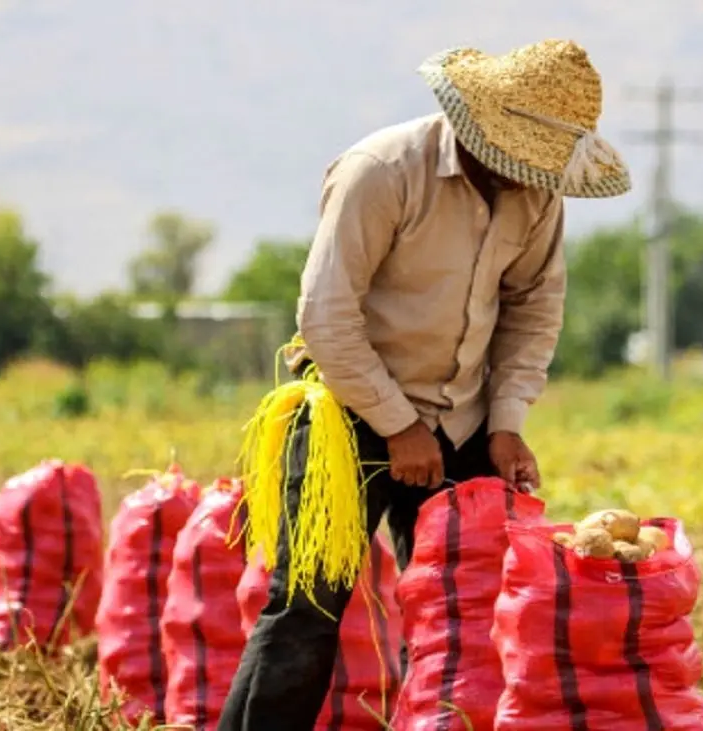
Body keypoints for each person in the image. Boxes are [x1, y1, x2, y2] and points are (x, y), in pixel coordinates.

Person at [217, 38, 631, 731]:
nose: (528, 177)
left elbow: (534, 309)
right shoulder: (382, 172)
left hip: (463, 421)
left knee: (462, 612)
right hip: (347, 412)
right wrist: (396, 424)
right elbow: (325, 315)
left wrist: (506, 421)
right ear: (478, 129)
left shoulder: (537, 195)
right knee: (308, 605)